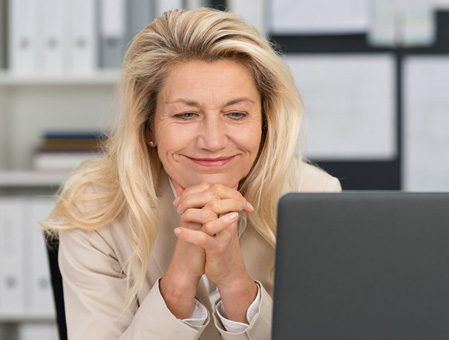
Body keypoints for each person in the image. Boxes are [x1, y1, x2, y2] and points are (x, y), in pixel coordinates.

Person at [42, 8, 341, 340]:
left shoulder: (311, 195)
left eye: (237, 113)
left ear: (265, 123)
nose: (213, 141)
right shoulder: (96, 207)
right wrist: (179, 281)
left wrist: (235, 283)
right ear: (148, 127)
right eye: (186, 114)